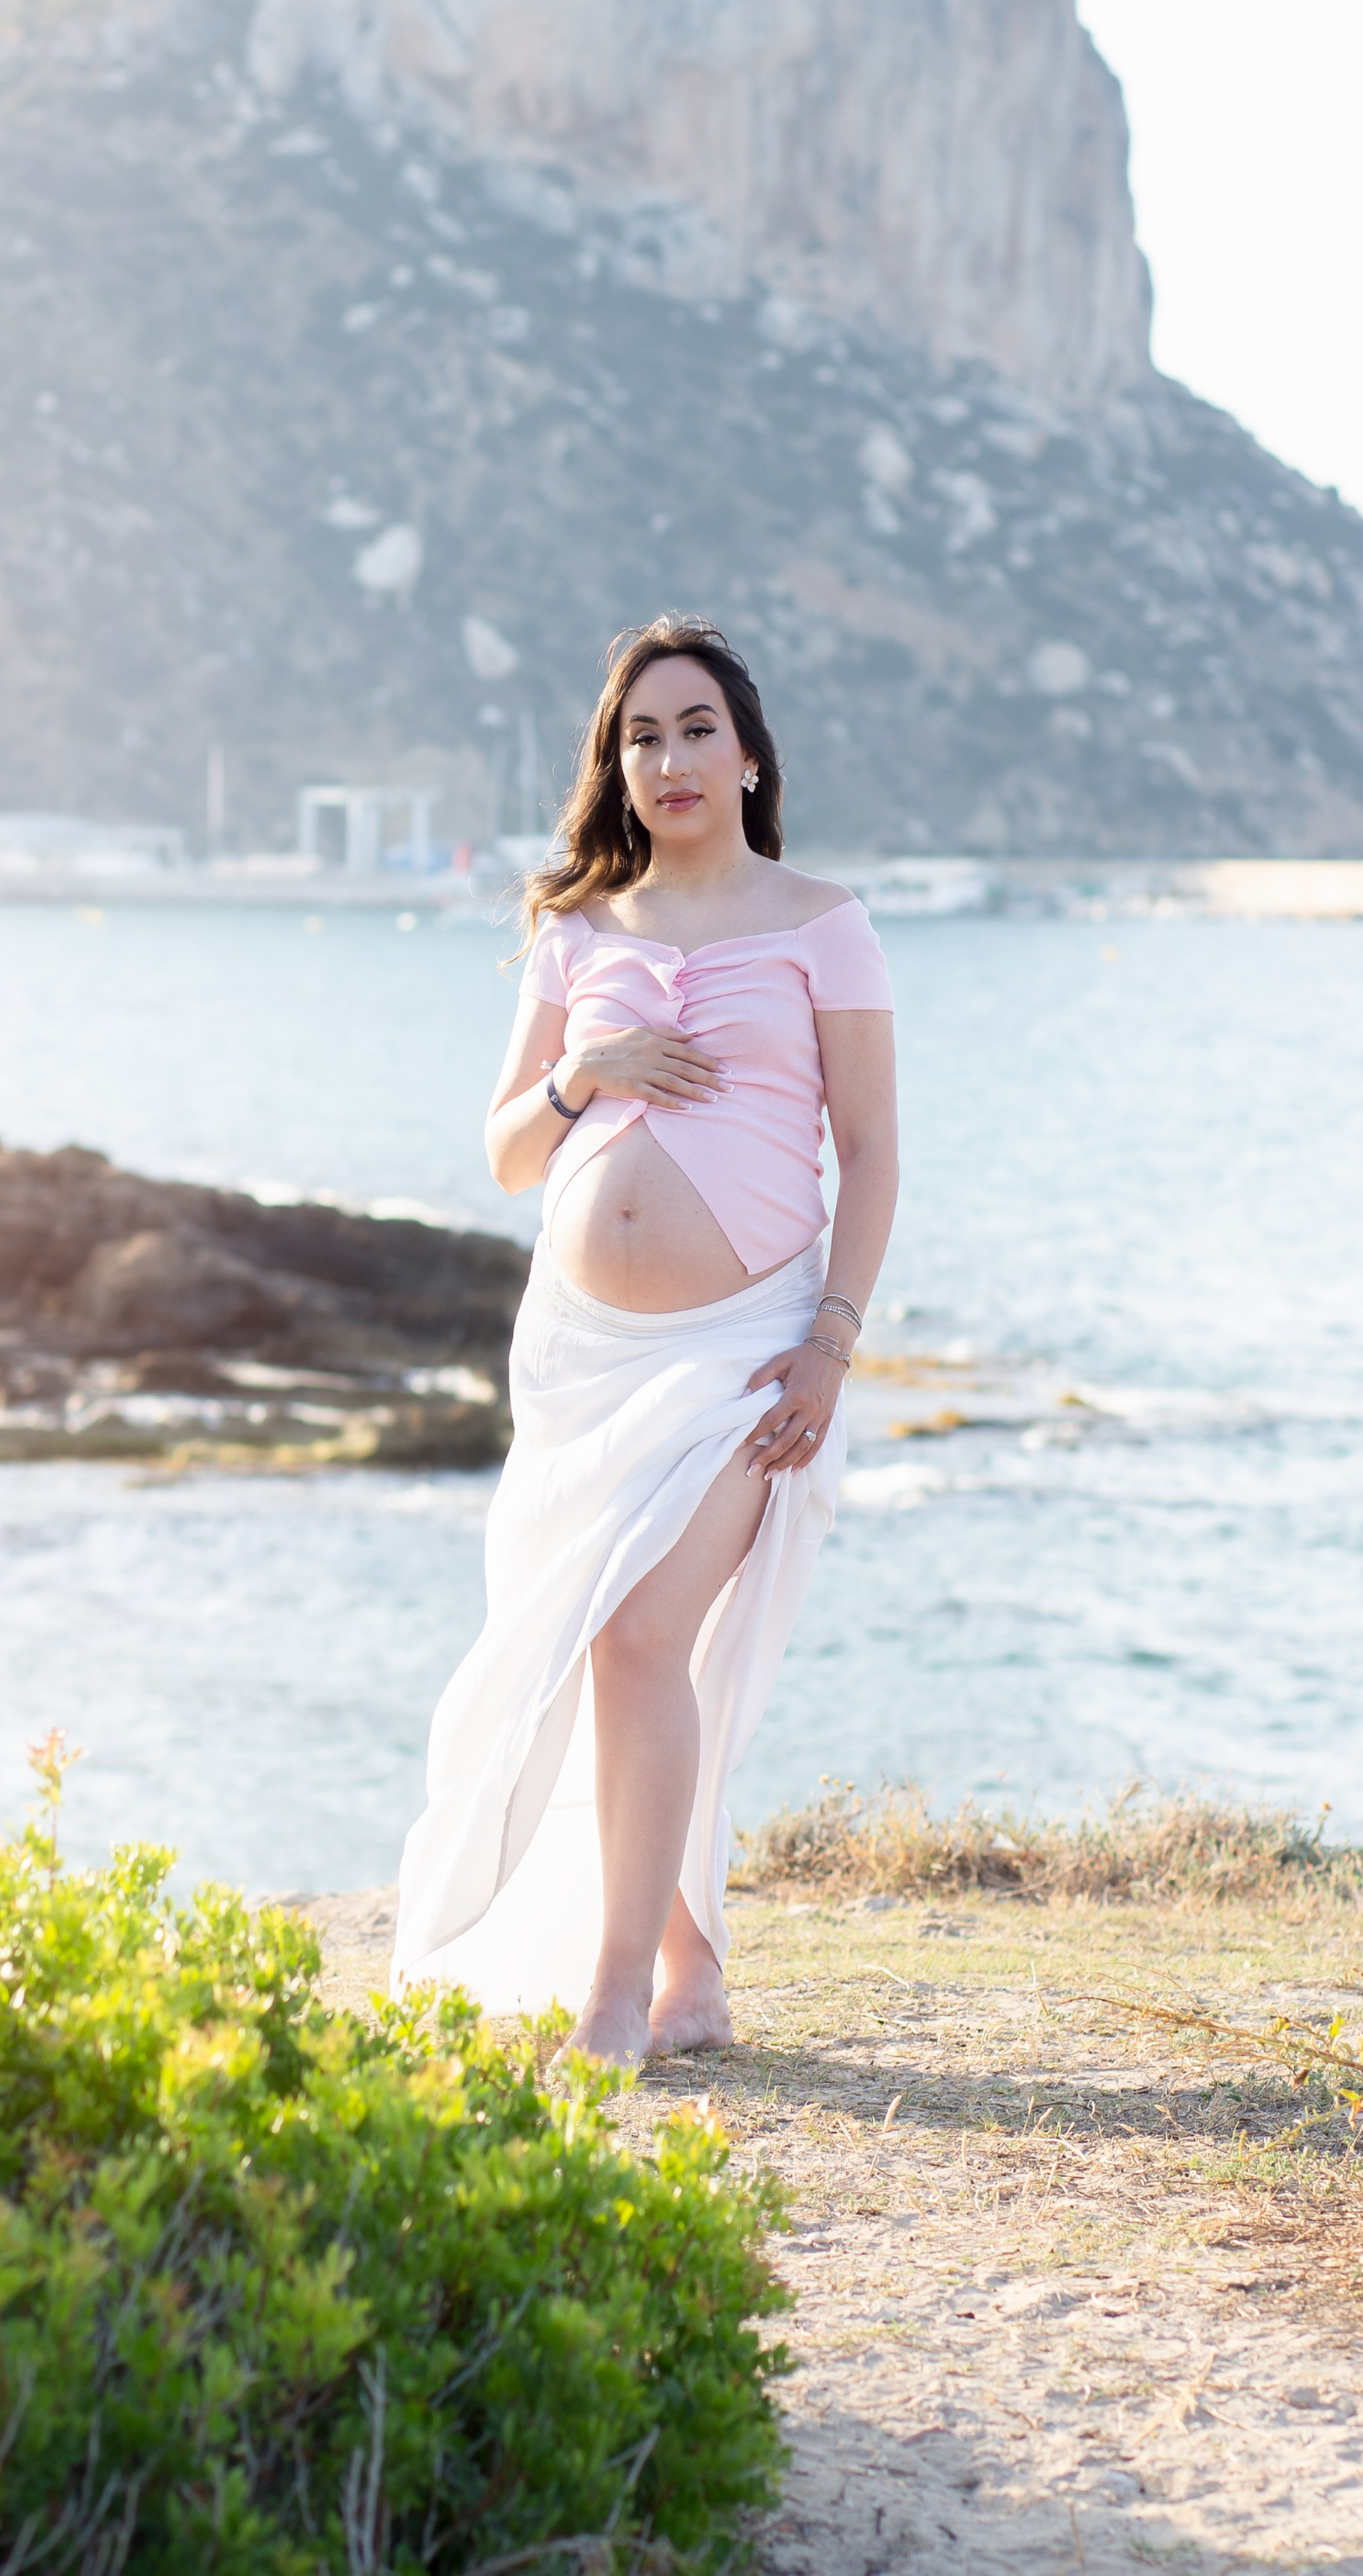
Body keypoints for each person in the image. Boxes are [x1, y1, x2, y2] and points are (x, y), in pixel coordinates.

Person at [391, 616, 899, 2061]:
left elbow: (872, 1154)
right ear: (614, 767)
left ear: (749, 758)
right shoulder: (577, 927)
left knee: (639, 1635)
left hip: (746, 1344)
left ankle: (617, 1994)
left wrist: (831, 1346)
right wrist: (585, 1071)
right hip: (579, 1359)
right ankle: (691, 1976)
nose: (670, 759)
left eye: (695, 731)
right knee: (594, 1648)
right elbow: (505, 1156)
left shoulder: (823, 923)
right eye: (641, 737)